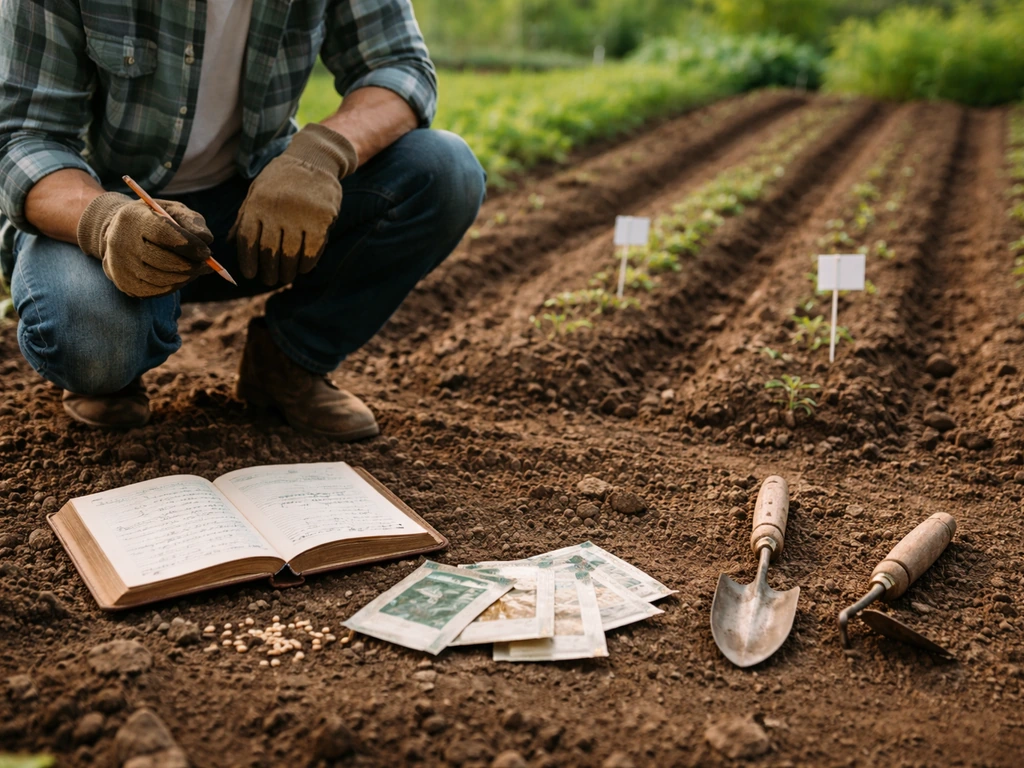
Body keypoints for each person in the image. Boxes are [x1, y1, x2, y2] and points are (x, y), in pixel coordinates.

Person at [0, 0, 485, 439]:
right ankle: (114, 371)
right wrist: (105, 222)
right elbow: (22, 137)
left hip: (258, 204)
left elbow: (398, 65)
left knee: (444, 170)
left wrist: (319, 156)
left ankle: (289, 360)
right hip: (102, 215)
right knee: (92, 339)